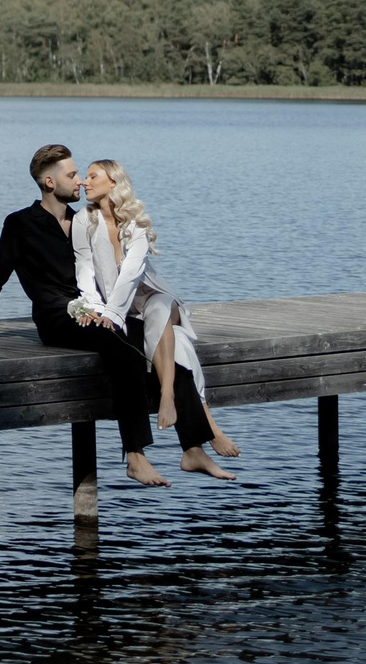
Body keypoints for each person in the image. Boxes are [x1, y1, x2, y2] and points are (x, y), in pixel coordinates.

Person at [0, 143, 170, 487]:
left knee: (157, 336)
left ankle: (196, 437)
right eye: (72, 175)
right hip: (56, 320)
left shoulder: (85, 220)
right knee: (123, 351)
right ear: (50, 183)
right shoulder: (20, 224)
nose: (80, 181)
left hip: (94, 311)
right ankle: (136, 456)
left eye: (80, 174)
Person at [71, 158, 240, 478]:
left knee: (161, 309)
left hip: (154, 300)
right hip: (125, 310)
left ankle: (167, 398)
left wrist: (113, 314)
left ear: (113, 182)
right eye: (84, 177)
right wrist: (94, 306)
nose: (84, 182)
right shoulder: (84, 221)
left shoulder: (135, 224)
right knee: (176, 348)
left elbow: (132, 273)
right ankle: (198, 444)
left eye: (93, 176)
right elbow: (85, 269)